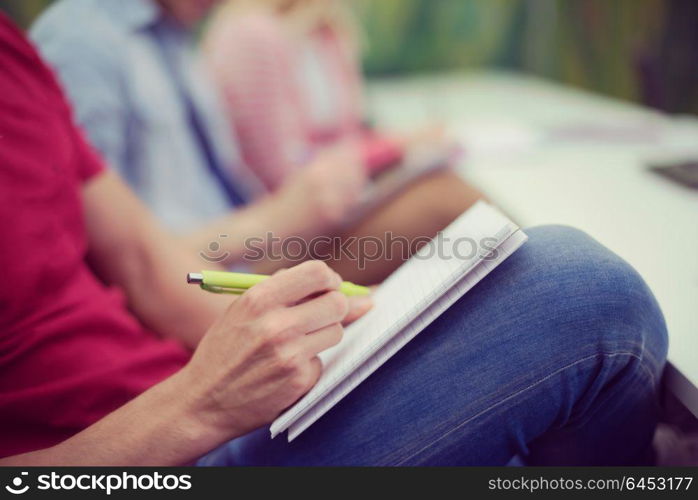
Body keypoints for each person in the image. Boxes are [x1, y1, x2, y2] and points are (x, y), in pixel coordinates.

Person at [0, 14, 668, 466]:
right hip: (158, 443)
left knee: (510, 273)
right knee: (580, 290)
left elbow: (150, 267)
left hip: (194, 380)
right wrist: (199, 403)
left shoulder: (19, 54)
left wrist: (370, 319)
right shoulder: (100, 40)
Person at [31, 0, 482, 285]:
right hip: (204, 277)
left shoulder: (175, 40)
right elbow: (102, 259)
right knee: (445, 206)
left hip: (252, 250)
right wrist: (276, 218)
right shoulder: (83, 41)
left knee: (451, 220)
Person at [204, 0, 409, 190]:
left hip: (340, 189)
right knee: (433, 195)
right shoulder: (252, 35)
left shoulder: (330, 34)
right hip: (294, 207)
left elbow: (350, 134)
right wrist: (389, 150)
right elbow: (281, 171)